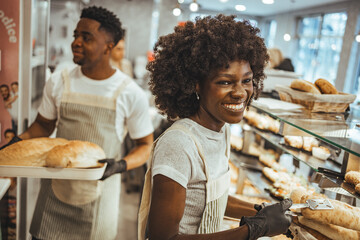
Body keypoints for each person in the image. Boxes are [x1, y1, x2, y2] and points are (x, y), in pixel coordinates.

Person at [2, 6, 154, 239]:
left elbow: (145, 145)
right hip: (54, 195)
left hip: (99, 198)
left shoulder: (129, 92)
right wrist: (14, 143)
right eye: (75, 35)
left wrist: (120, 165)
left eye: (86, 37)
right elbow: (42, 126)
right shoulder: (59, 81)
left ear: (108, 46)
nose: (76, 42)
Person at [138, 15, 292, 240]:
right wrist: (253, 230)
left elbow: (210, 199)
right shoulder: (179, 144)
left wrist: (260, 212)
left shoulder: (221, 129)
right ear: (196, 85)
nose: (240, 92)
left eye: (246, 80)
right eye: (225, 82)